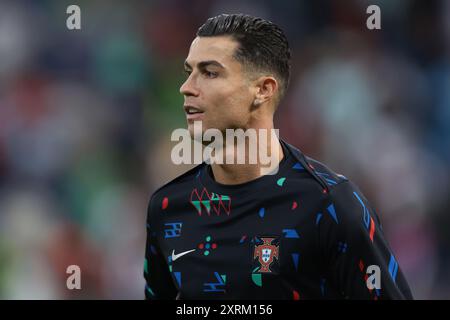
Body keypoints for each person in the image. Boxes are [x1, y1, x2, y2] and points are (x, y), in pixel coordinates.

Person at [143, 13, 413, 300]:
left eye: (209, 72)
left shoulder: (330, 205)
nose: (187, 87)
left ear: (263, 90)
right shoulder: (168, 208)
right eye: (189, 72)